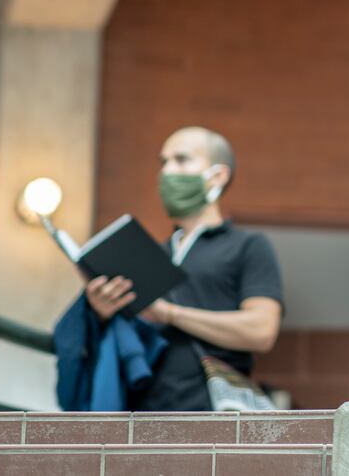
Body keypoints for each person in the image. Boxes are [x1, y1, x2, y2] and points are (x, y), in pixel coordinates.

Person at [81, 126, 284, 411]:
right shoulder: (152, 254)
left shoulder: (248, 245)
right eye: (163, 162)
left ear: (218, 175)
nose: (167, 171)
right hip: (141, 414)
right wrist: (103, 312)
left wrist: (170, 314)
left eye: (182, 159)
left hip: (210, 413)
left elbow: (261, 330)